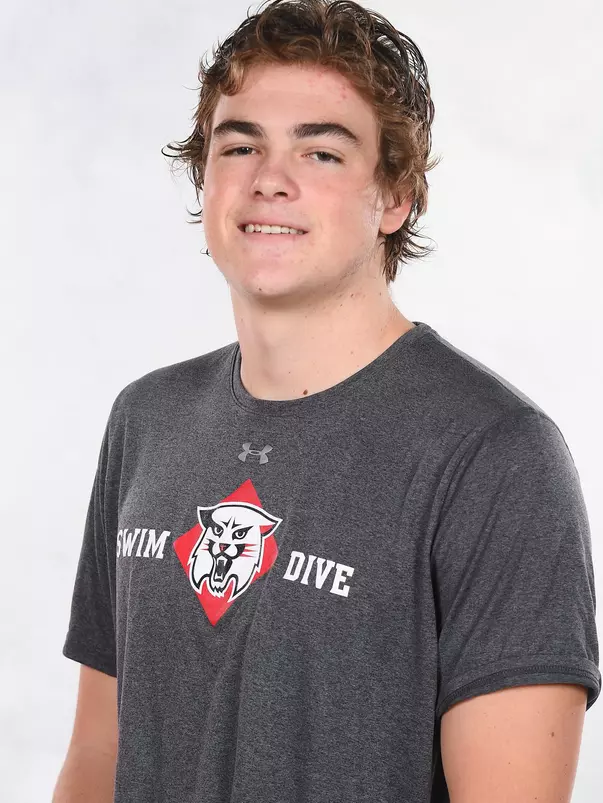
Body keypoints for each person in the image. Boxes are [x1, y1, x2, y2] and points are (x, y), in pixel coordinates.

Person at [53, 1, 601, 801]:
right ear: (204, 177)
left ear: (395, 198)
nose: (269, 179)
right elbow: (97, 757)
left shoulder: (494, 454)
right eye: (240, 144)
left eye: (321, 152)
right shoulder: (146, 419)